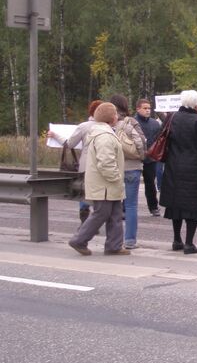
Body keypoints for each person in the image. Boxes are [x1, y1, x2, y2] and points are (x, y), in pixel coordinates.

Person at [160, 90, 197, 254]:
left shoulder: (171, 118)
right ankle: (189, 243)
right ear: (196, 105)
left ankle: (176, 240)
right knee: (192, 206)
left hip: (173, 165)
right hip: (193, 167)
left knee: (175, 205)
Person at [68, 102, 130, 256]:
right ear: (111, 117)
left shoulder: (102, 133)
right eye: (115, 113)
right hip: (106, 185)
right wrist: (116, 178)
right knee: (101, 213)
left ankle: (114, 246)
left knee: (115, 214)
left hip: (107, 185)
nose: (117, 116)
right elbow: (106, 162)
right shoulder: (105, 136)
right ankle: (79, 240)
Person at [48, 99, 103, 225]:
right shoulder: (109, 127)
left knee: (84, 192)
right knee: (99, 194)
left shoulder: (83, 126)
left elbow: (69, 143)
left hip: (86, 165)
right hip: (102, 166)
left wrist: (55, 135)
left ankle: (85, 220)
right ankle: (95, 221)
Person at [110, 94, 146, 250]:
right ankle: (130, 240)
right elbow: (142, 141)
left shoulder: (106, 124)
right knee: (131, 205)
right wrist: (141, 156)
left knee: (114, 206)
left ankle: (114, 240)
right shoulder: (131, 122)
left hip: (113, 168)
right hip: (132, 167)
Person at [134, 98, 162, 217]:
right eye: (145, 108)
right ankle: (126, 207)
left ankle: (153, 207)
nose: (147, 110)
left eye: (149, 108)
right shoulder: (132, 122)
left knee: (150, 184)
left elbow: (158, 140)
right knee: (131, 183)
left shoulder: (155, 123)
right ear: (138, 109)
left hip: (150, 158)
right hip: (135, 158)